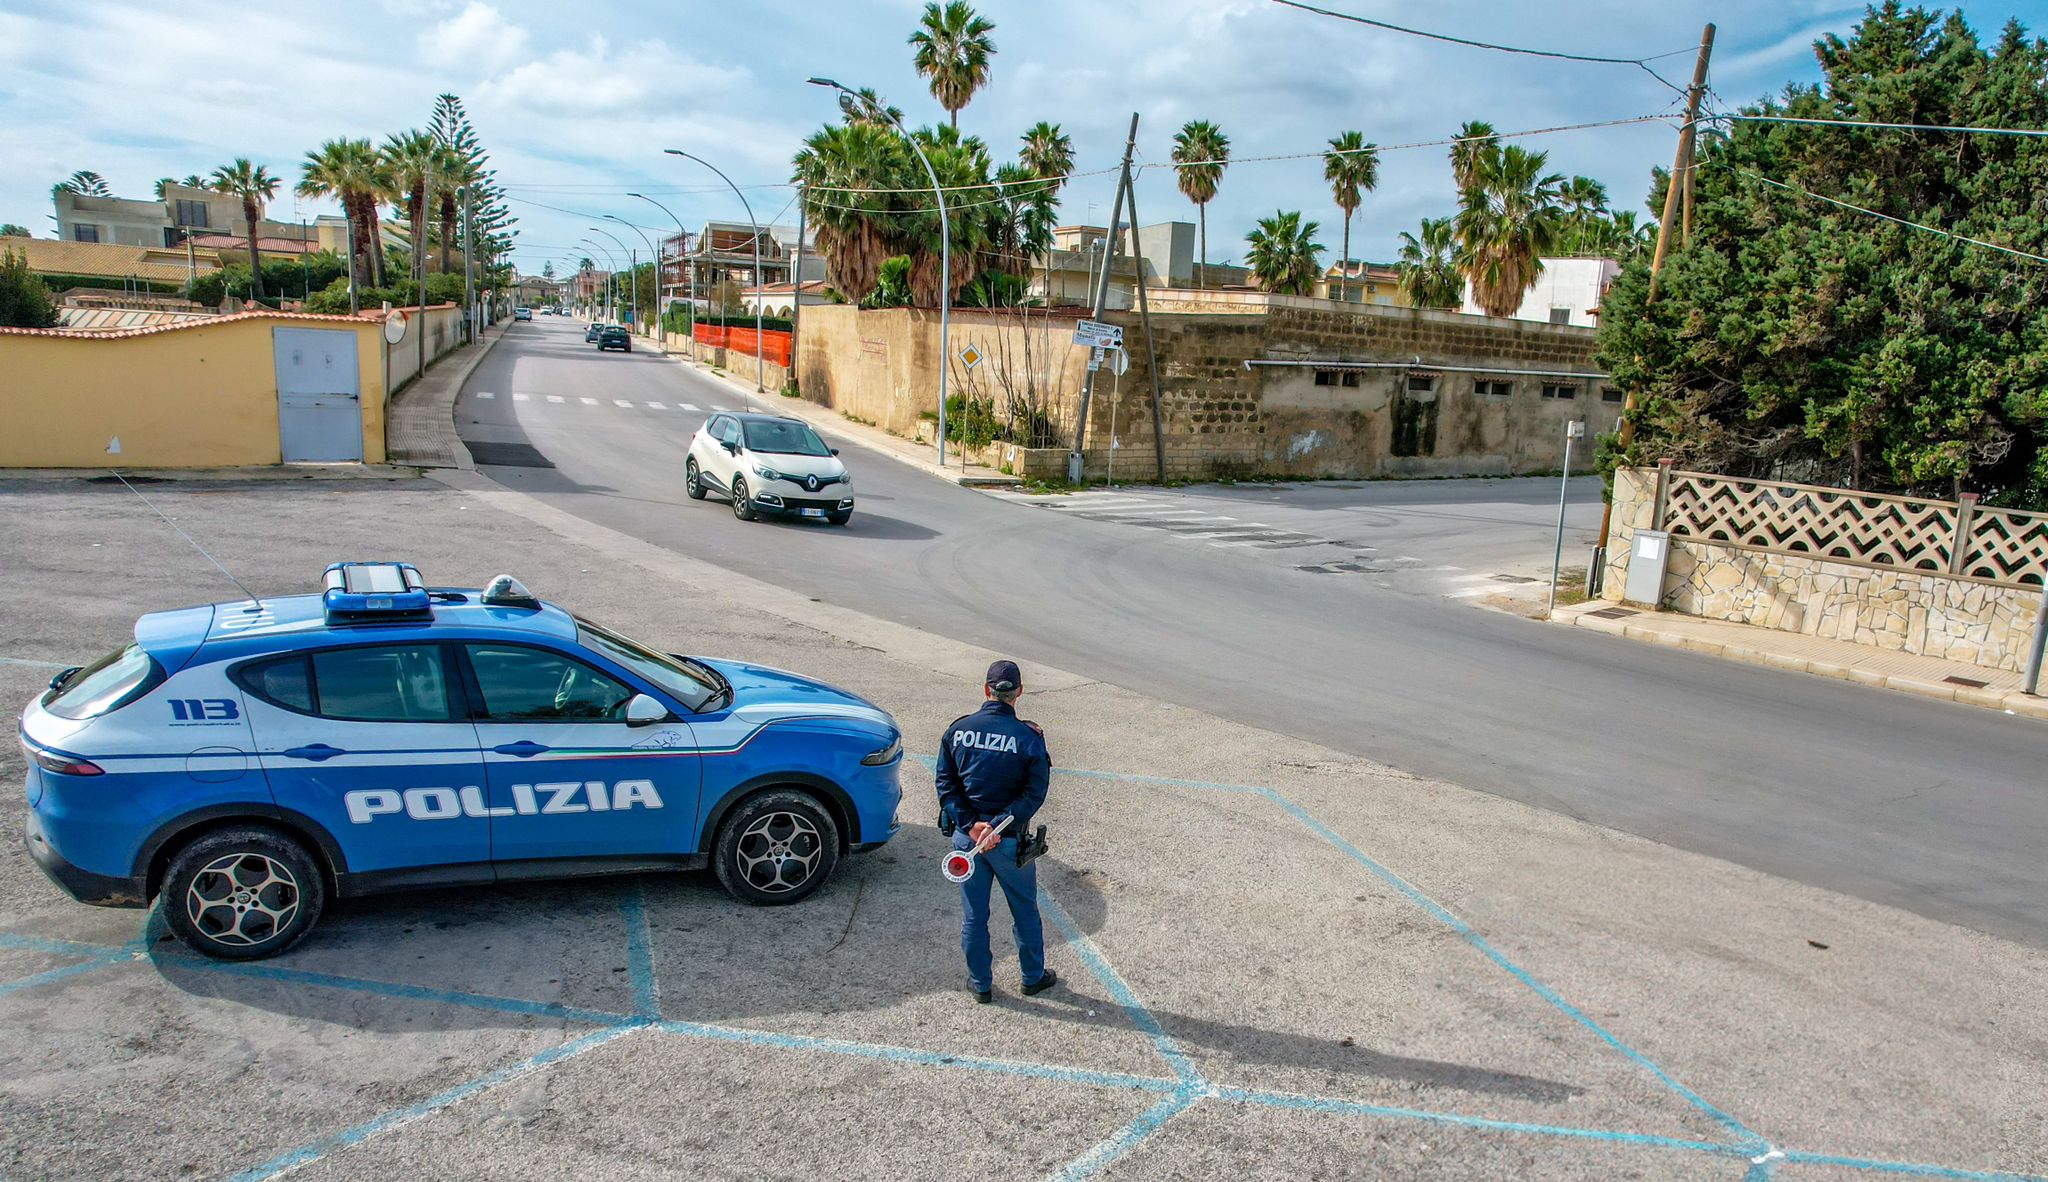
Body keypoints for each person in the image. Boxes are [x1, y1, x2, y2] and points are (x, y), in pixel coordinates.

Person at [936, 659, 1056, 1004]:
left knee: (974, 916)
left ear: (987, 690)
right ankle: (1032, 977)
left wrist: (971, 824)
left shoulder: (958, 730)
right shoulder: (1028, 738)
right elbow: (1034, 792)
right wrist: (1000, 824)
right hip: (1008, 841)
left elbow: (945, 784)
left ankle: (980, 983)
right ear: (1018, 692)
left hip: (967, 841)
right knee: (1024, 910)